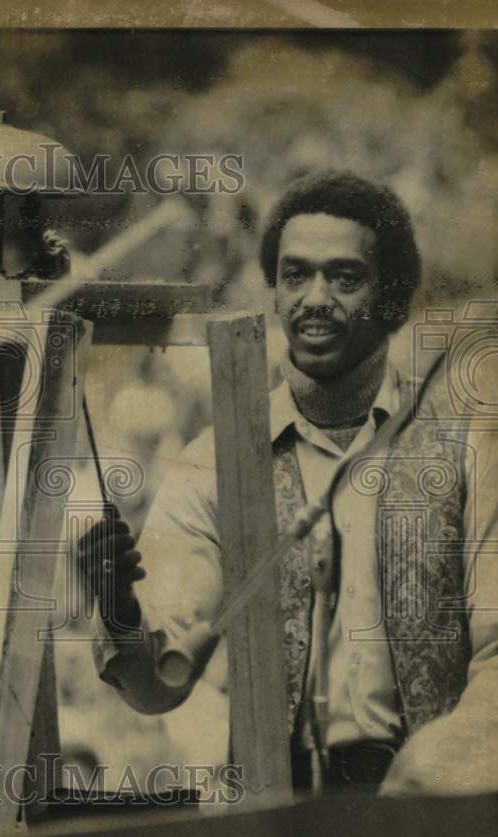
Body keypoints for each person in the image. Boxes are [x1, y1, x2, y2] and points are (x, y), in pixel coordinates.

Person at [81, 170, 498, 797]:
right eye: (296, 275)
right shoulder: (215, 460)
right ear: (275, 291)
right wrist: (116, 606)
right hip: (274, 817)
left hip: (433, 806)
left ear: (391, 297)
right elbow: (158, 685)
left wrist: (441, 768)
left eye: (345, 277)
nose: (316, 297)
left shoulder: (466, 443)